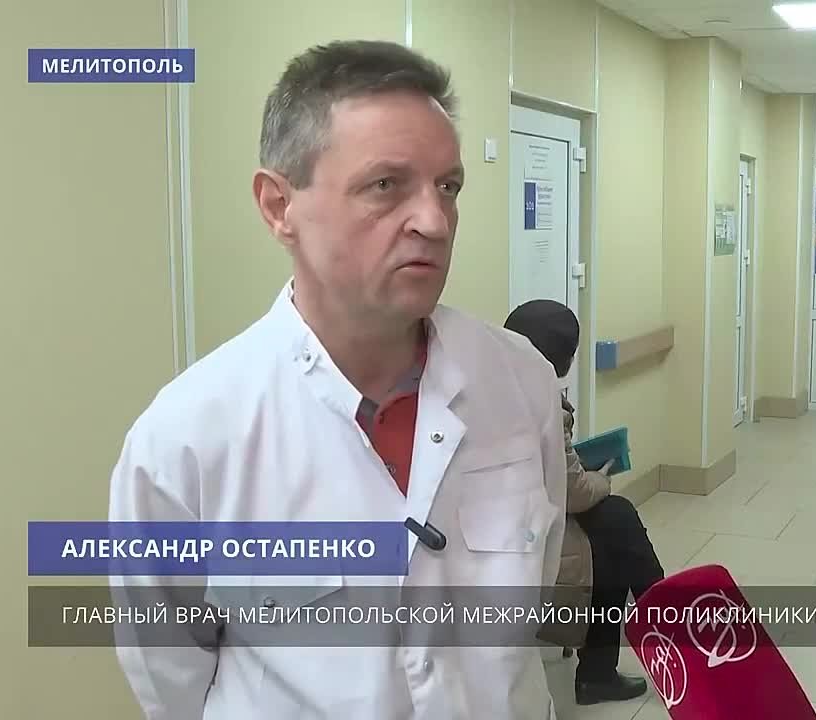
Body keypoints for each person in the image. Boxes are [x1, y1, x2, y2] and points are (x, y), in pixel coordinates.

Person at [108, 41, 569, 719]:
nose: (434, 221)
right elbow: (170, 675)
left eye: (448, 187)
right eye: (386, 185)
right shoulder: (187, 438)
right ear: (279, 206)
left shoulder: (520, 381)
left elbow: (537, 583)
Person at [503, 299, 666, 706]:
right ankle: (669, 626)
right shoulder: (542, 404)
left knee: (614, 525)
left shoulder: (492, 388)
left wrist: (578, 470)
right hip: (520, 539)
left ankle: (658, 623)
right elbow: (573, 494)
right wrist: (602, 477)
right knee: (613, 538)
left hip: (507, 522)